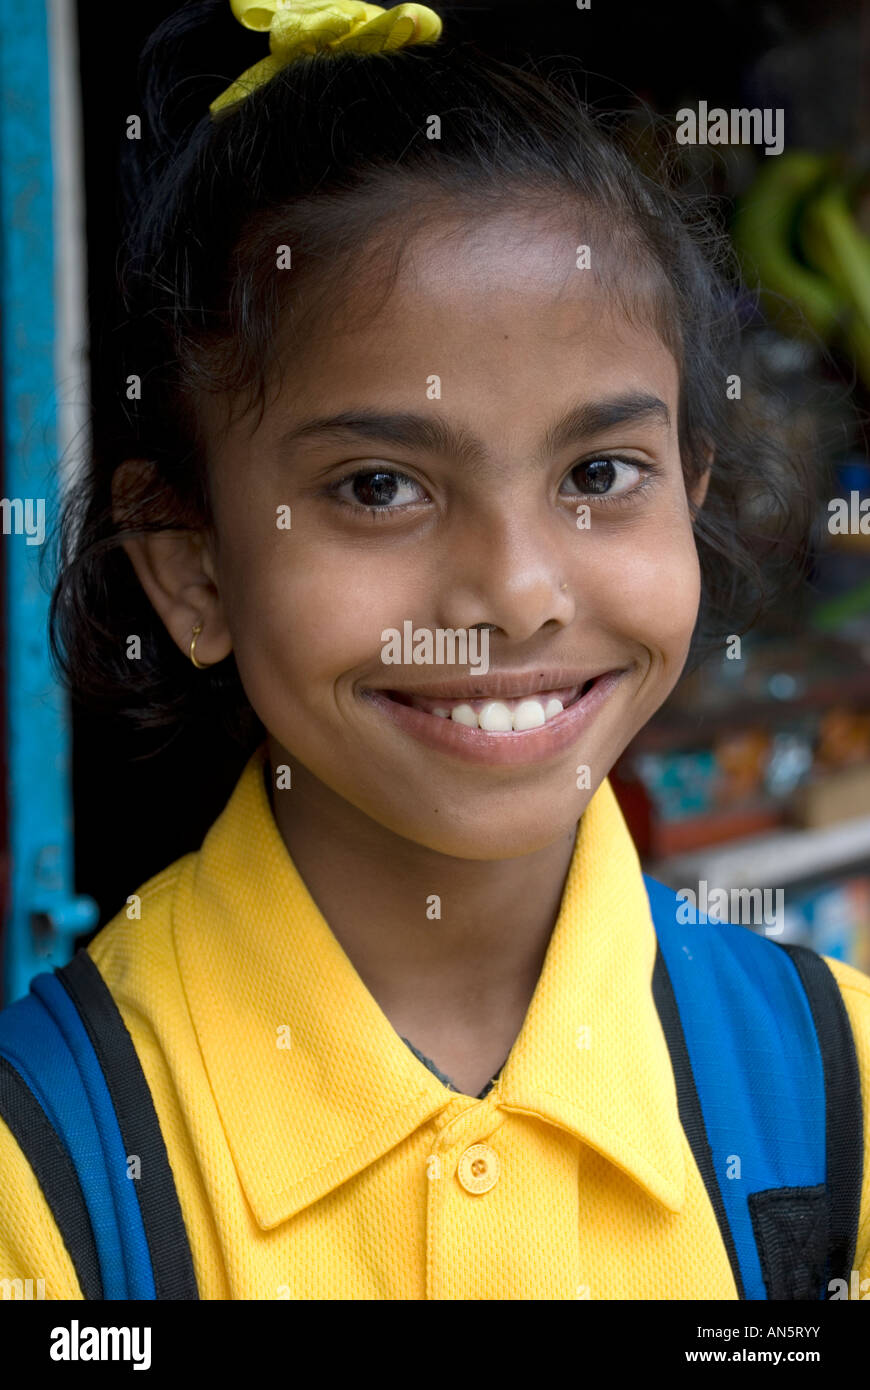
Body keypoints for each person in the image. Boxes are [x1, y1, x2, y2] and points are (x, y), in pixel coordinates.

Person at [0, 0, 867, 1300]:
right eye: (375, 488)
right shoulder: (48, 1173)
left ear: (690, 491)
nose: (516, 594)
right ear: (191, 565)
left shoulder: (835, 1086)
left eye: (596, 470)